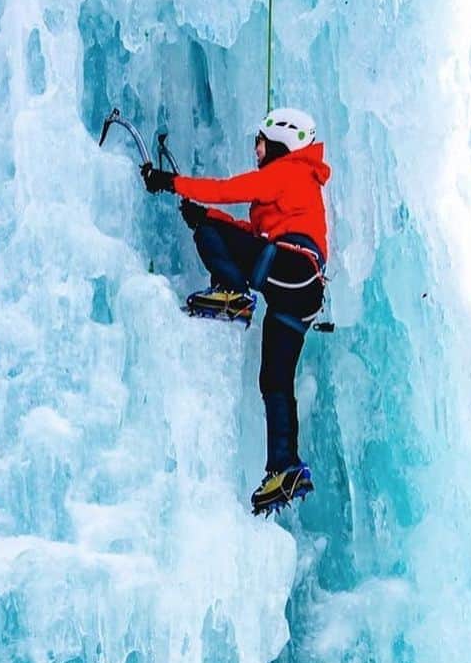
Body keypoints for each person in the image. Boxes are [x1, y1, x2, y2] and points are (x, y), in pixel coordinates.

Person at [141, 108, 330, 515]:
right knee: (275, 380)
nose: (256, 149)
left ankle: (232, 293)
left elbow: (231, 189)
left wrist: (170, 183)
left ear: (282, 143)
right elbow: (253, 237)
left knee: (210, 234)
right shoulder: (297, 182)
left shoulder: (289, 171)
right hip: (301, 290)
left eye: (261, 142)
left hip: (291, 267)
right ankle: (285, 468)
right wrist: (207, 215)